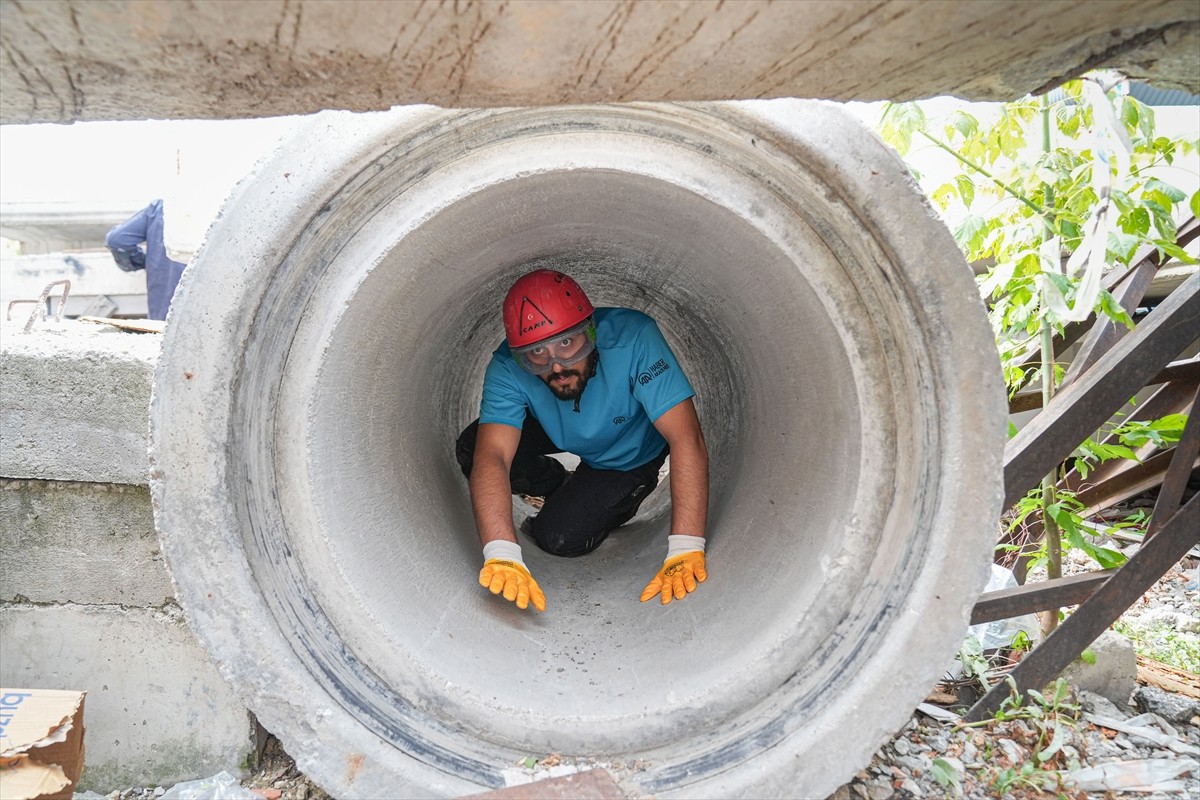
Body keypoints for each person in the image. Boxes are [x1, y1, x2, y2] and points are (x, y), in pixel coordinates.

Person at [456, 269, 709, 612]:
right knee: (473, 448)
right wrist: (501, 552)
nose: (557, 365)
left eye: (567, 343)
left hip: (627, 456)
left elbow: (685, 438)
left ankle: (599, 493)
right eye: (537, 353)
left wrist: (685, 548)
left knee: (559, 537)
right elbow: (494, 456)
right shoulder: (507, 367)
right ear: (521, 357)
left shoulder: (634, 338)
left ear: (590, 332)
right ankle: (557, 482)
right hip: (558, 423)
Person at [105, 199, 187, 321]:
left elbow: (117, 240)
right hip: (213, 322)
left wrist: (147, 262)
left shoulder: (161, 208)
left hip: (164, 320)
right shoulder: (222, 208)